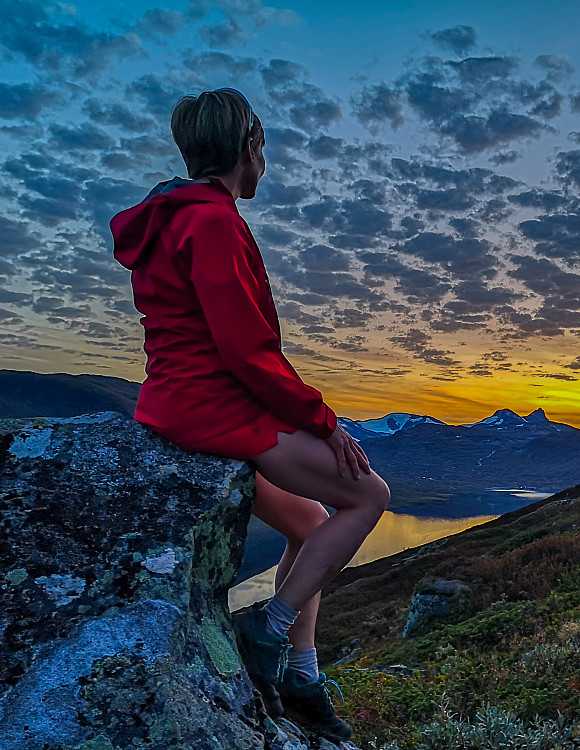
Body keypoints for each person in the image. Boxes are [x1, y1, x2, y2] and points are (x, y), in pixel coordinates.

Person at [110, 87, 390, 742]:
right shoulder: (213, 222)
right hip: (215, 406)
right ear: (248, 148)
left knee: (308, 521)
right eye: (264, 149)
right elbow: (246, 350)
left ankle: (303, 674)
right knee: (367, 496)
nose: (266, 163)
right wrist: (324, 421)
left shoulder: (172, 218)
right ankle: (267, 634)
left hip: (176, 401)